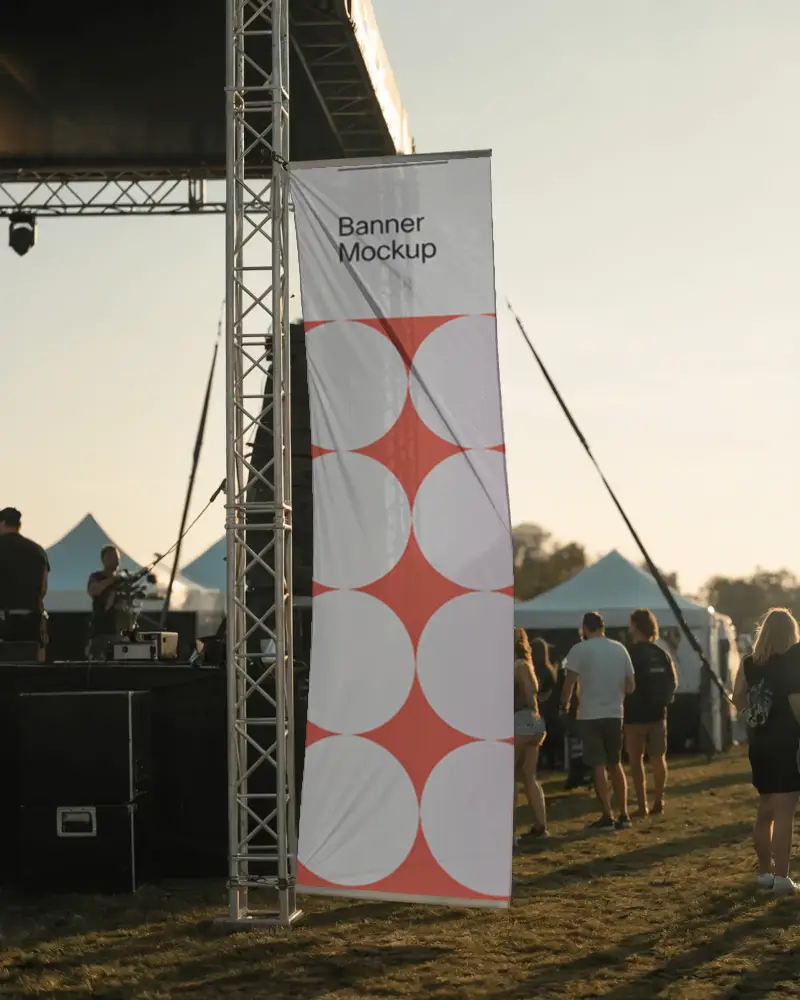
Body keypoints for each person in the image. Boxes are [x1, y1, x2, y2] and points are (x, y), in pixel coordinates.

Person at [732, 607, 800, 896]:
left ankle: (763, 872)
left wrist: (755, 715)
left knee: (766, 808)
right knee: (785, 811)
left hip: (759, 742)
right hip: (787, 741)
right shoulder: (791, 663)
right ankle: (783, 877)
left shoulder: (749, 662)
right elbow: (797, 705)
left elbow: (736, 698)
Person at [560, 611, 636, 831]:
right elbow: (631, 686)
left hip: (590, 714)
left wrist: (563, 705)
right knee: (616, 764)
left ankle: (607, 815)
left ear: (585, 628)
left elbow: (569, 683)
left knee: (598, 766)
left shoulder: (579, 650)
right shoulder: (620, 649)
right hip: (615, 713)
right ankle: (624, 814)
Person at [624, 608, 678, 817]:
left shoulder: (630, 653)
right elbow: (673, 682)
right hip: (658, 715)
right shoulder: (661, 653)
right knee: (658, 758)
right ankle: (659, 800)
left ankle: (641, 805)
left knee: (636, 761)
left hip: (634, 716)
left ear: (635, 626)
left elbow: (625, 682)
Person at [0, 507, 50, 661]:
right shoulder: (38, 550)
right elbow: (43, 587)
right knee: (33, 669)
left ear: (2, 523)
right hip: (33, 620)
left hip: (4, 621)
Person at [514, 627, 548, 840]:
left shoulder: (517, 665)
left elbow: (529, 691)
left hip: (522, 720)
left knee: (508, 778)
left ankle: (510, 832)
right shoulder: (527, 664)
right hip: (535, 723)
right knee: (529, 776)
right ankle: (541, 826)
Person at [87, 545, 125, 659]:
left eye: (118, 557)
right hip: (101, 631)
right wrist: (113, 579)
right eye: (113, 556)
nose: (117, 560)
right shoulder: (96, 577)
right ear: (104, 559)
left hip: (119, 631)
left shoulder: (122, 580)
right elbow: (94, 590)